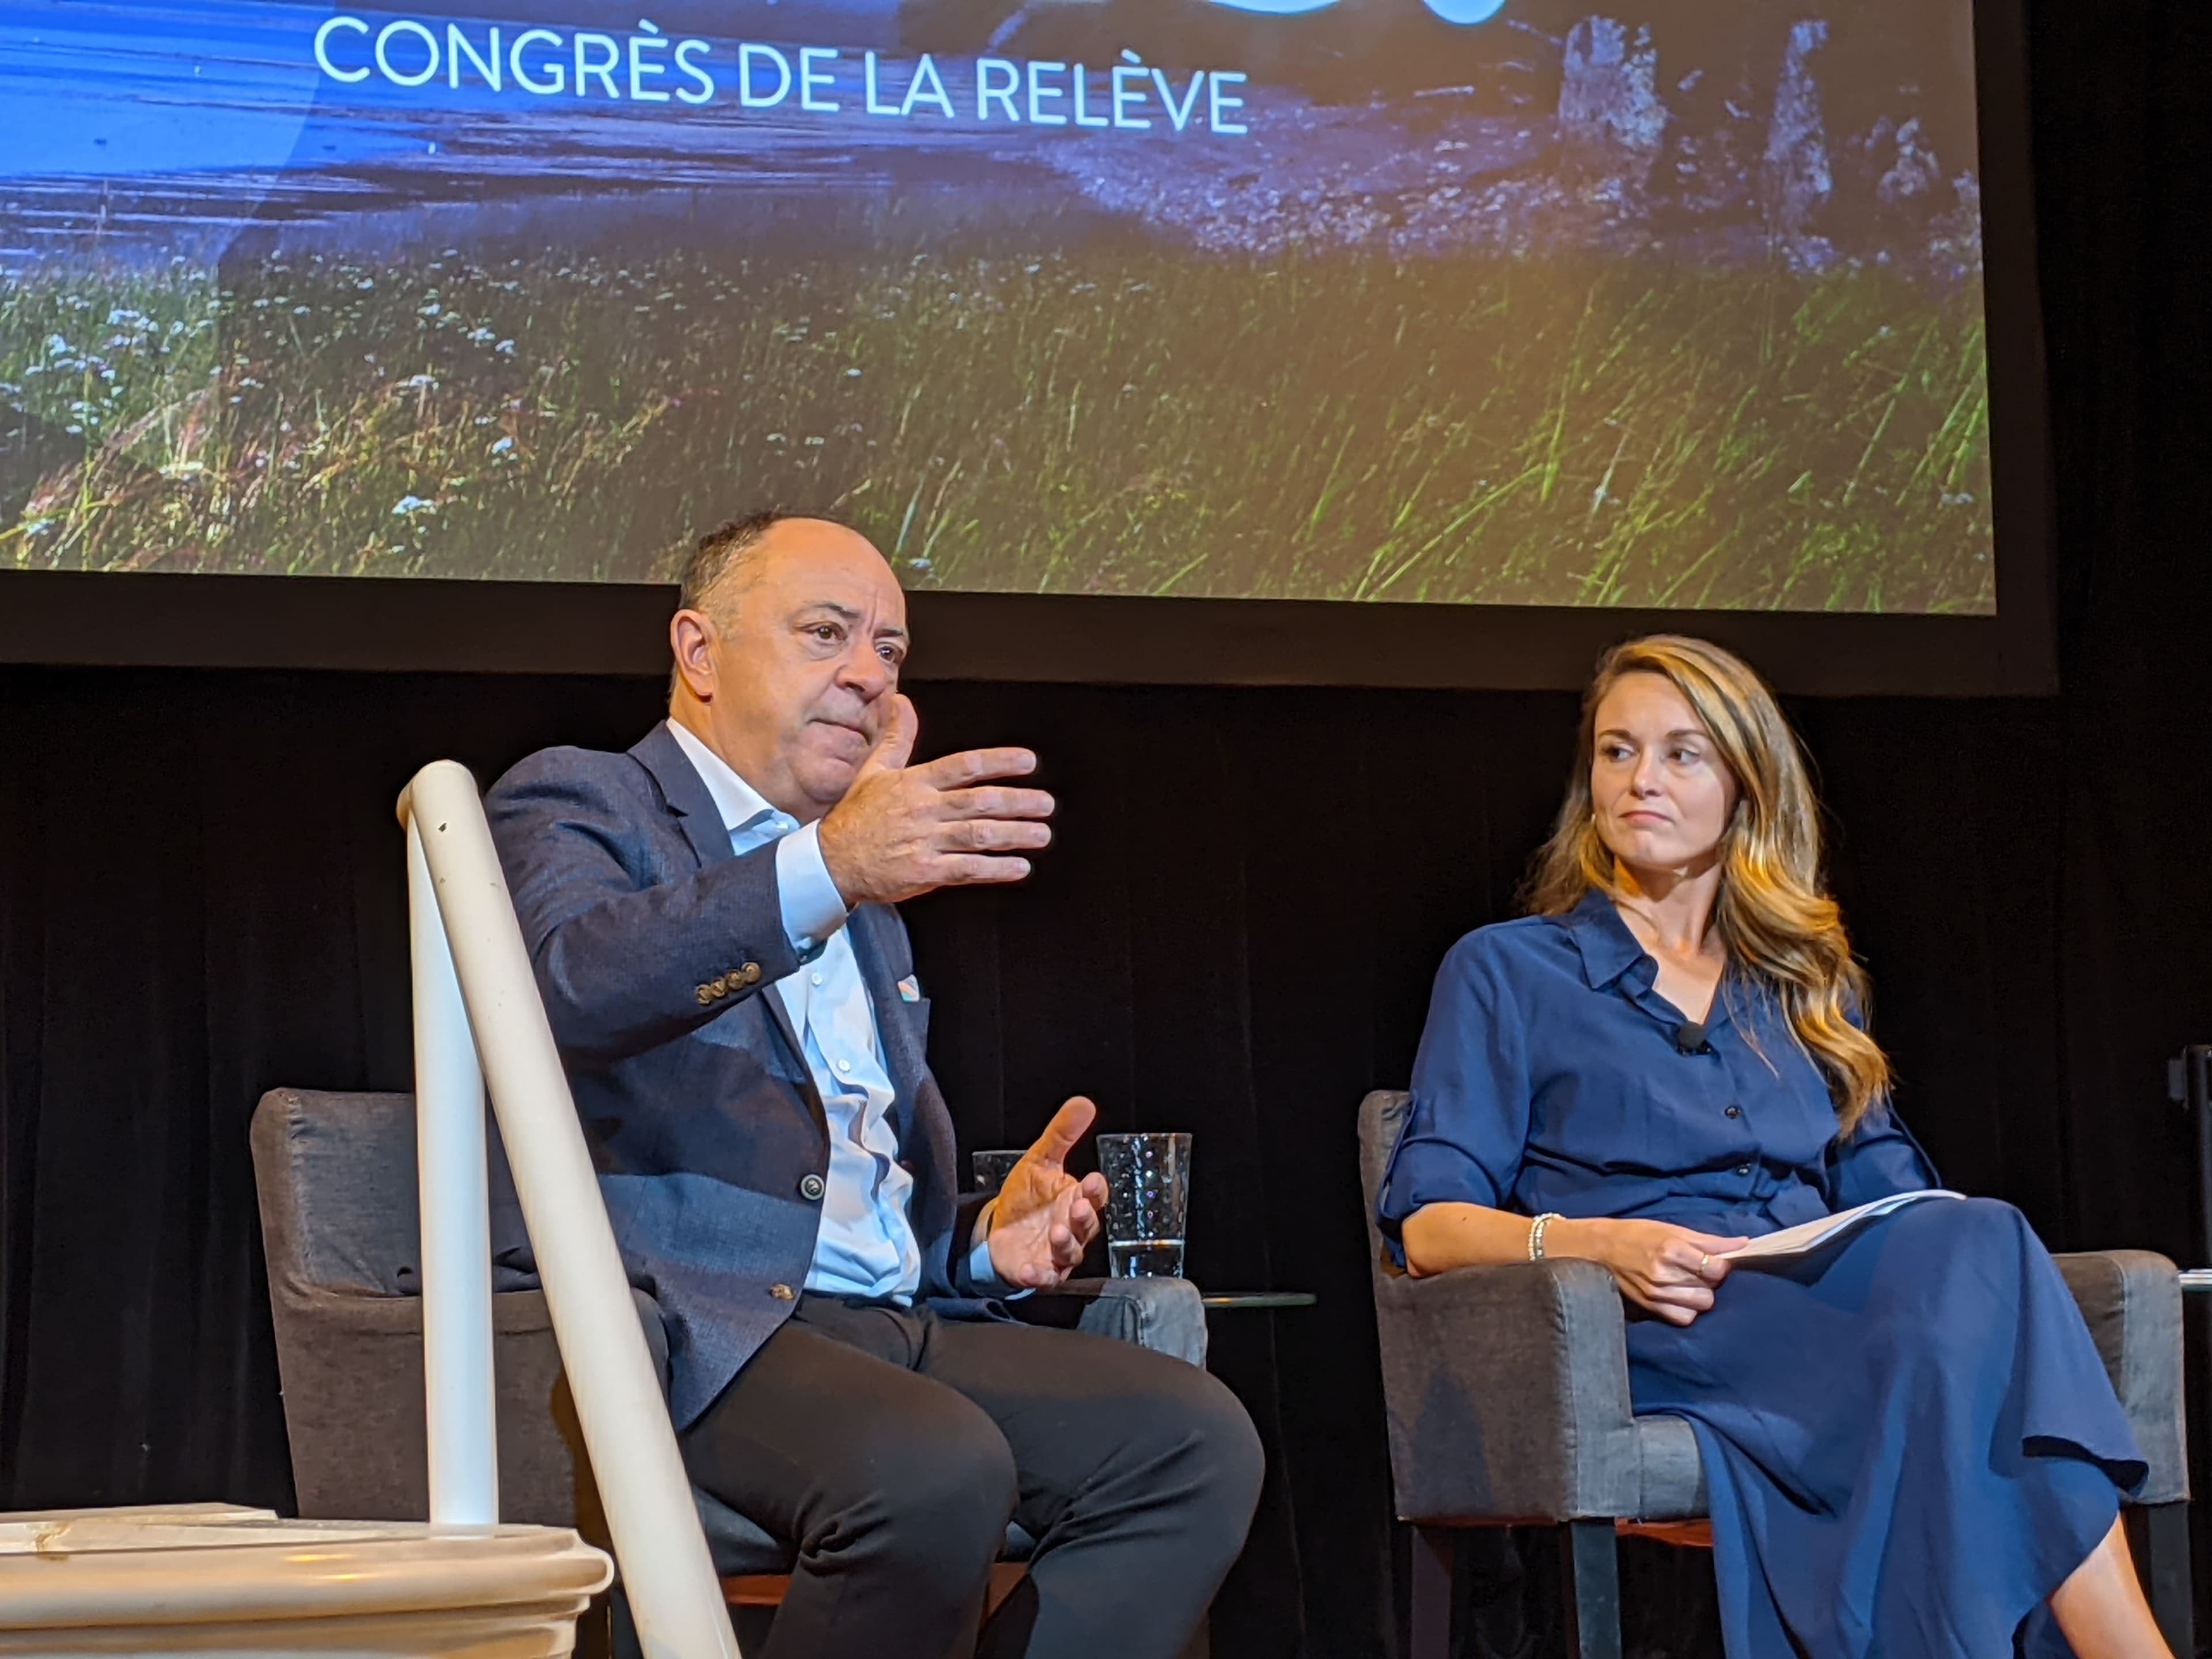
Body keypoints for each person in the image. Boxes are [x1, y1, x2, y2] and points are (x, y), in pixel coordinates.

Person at [484, 511, 1263, 1659]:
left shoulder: (860, 889)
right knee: (932, 1465)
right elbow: (573, 984)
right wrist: (828, 868)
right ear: (699, 653)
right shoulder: (583, 801)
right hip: (694, 1326)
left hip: (889, 1327)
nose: (866, 674)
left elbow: (851, 1187)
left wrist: (979, 1249)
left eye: (890, 651)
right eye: (826, 633)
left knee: (1194, 1443)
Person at [1375, 635, 2167, 1659]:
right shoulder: (1510, 971)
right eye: (1617, 753)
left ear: (1747, 784)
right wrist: (1593, 1244)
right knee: (1973, 1321)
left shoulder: (1805, 986)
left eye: (1680, 754)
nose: (1640, 780)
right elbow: (1428, 1225)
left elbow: (1905, 1203)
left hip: (1817, 1308)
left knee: (1977, 1255)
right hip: (1661, 1322)